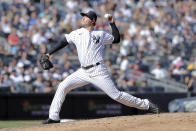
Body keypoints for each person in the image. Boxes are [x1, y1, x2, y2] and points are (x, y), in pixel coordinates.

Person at [42, 10, 159, 124]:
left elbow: (116, 39)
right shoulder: (76, 33)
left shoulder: (100, 34)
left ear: (93, 21)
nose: (83, 17)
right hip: (83, 71)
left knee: (116, 95)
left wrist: (112, 23)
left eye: (86, 16)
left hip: (98, 70)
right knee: (62, 86)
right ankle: (53, 117)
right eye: (83, 16)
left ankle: (146, 104)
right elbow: (63, 42)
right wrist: (49, 53)